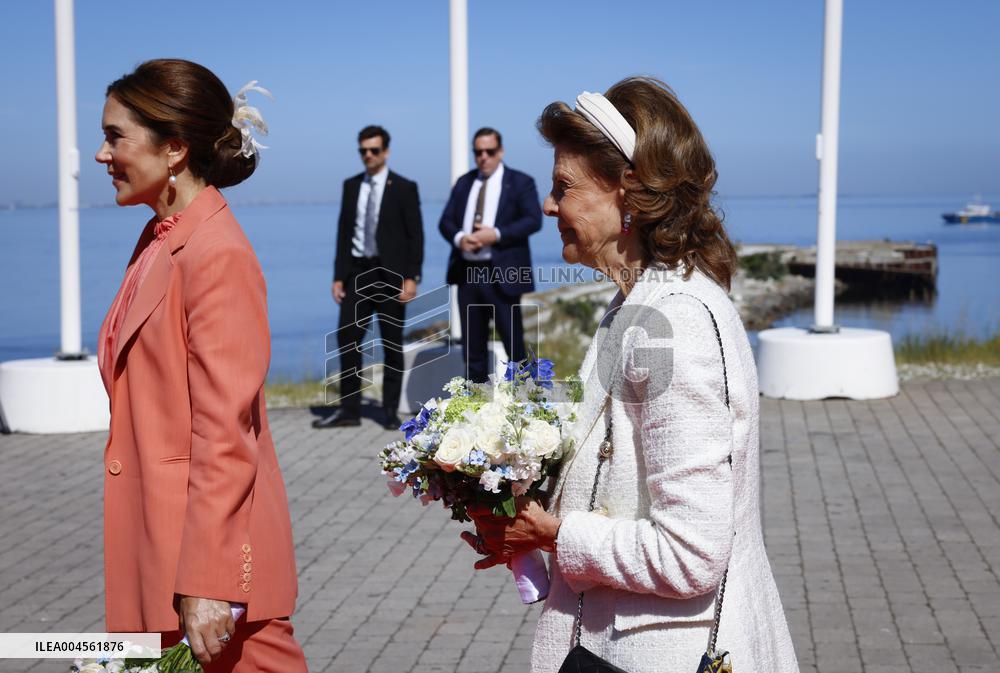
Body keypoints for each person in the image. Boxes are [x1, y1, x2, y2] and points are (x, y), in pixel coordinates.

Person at [462, 78, 799, 673]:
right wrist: (515, 503)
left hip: (663, 651)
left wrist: (552, 535)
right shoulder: (637, 306)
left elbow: (691, 552)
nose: (547, 206)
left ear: (628, 194)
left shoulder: (678, 323)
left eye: (563, 187)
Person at [95, 59, 306, 672]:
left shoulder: (216, 253)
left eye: (115, 137)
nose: (102, 155)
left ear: (175, 149)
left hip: (207, 572)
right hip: (159, 551)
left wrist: (210, 578)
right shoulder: (161, 236)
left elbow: (225, 431)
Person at [314, 125, 424, 430]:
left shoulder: (404, 187)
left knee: (391, 344)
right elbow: (343, 233)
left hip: (391, 275)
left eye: (374, 150)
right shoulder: (351, 186)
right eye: (363, 150)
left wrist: (412, 276)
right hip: (358, 274)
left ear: (385, 152)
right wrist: (339, 276)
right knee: (347, 339)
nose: (368, 155)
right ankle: (349, 410)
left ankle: (389, 411)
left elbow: (416, 235)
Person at [438, 128, 542, 382]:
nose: (483, 157)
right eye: (478, 152)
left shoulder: (521, 182)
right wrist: (461, 239)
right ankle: (476, 409)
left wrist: (494, 234)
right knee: (472, 349)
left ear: (500, 151)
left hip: (503, 274)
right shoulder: (464, 183)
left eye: (489, 151)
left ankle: (525, 404)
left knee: (514, 345)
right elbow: (446, 222)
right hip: (467, 274)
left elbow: (533, 220)